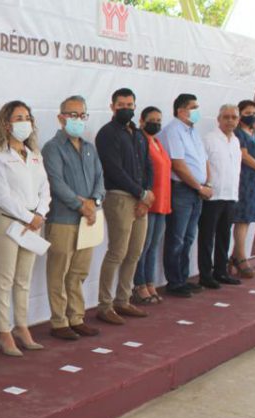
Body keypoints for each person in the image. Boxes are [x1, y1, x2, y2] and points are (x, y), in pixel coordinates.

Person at [0, 100, 50, 355]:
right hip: (8, 221)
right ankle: (3, 331)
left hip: (34, 222)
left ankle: (22, 326)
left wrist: (40, 214)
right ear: (6, 124)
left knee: (24, 279)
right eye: (18, 118)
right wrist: (27, 217)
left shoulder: (34, 155)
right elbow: (1, 196)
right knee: (5, 278)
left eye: (27, 118)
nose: (25, 122)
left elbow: (45, 188)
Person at [43, 95, 105, 339]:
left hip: (88, 221)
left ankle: (76, 317)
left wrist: (95, 202)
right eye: (72, 115)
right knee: (58, 273)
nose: (78, 120)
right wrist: (81, 206)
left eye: (82, 115)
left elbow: (100, 179)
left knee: (78, 272)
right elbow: (56, 183)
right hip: (63, 220)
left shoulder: (90, 148)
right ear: (61, 118)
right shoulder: (52, 148)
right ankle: (59, 322)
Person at [95, 88, 154, 325]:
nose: (126, 109)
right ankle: (105, 305)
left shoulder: (138, 134)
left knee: (135, 252)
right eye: (121, 105)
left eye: (130, 105)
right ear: (112, 107)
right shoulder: (106, 134)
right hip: (119, 197)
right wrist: (141, 193)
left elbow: (147, 166)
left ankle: (123, 299)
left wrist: (146, 195)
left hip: (141, 200)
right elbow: (113, 169)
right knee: (117, 252)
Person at [159, 93, 212, 297]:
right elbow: (178, 165)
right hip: (182, 189)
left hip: (197, 190)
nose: (197, 111)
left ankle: (183, 278)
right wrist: (199, 187)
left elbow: (204, 161)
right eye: (193, 107)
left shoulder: (192, 131)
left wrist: (207, 183)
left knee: (189, 237)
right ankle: (174, 282)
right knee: (177, 237)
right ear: (181, 111)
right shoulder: (173, 131)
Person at [198, 105, 243, 288]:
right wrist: (206, 187)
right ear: (219, 119)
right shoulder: (208, 139)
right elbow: (202, 165)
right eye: (226, 117)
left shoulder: (236, 141)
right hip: (212, 196)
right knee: (207, 237)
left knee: (224, 236)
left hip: (230, 196)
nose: (230, 120)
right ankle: (205, 275)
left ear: (238, 120)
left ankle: (221, 272)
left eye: (234, 117)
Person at [132, 106, 172, 303]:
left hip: (162, 202)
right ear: (141, 121)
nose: (156, 124)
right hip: (148, 201)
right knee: (143, 246)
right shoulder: (140, 141)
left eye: (158, 120)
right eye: (152, 120)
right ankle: (139, 284)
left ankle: (150, 282)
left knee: (153, 246)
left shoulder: (157, 142)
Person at [230, 99, 255, 278]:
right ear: (240, 114)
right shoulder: (238, 133)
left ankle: (235, 256)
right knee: (241, 219)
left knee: (248, 220)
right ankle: (240, 257)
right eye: (247, 113)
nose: (251, 116)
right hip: (243, 180)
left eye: (254, 113)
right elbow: (244, 156)